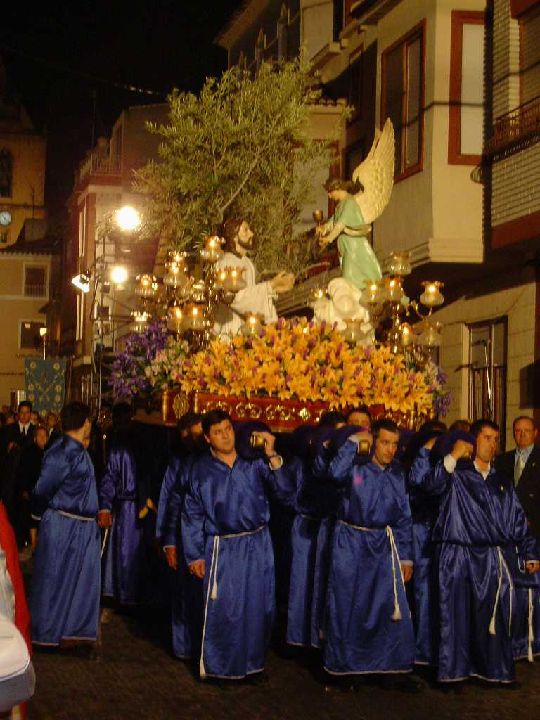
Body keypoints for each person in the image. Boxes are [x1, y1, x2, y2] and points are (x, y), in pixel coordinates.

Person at [421, 419, 539, 685]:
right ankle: (453, 673)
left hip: (490, 558)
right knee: (456, 615)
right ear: (473, 441)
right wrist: (453, 456)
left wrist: (529, 551)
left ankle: (493, 670)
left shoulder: (500, 481)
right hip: (457, 553)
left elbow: (517, 519)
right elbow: (430, 486)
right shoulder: (457, 475)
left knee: (492, 615)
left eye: (496, 439)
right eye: (487, 438)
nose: (492, 444)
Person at [181, 410, 294, 680]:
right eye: (218, 432)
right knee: (225, 609)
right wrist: (194, 555)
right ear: (207, 438)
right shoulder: (200, 470)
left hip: (258, 544)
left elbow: (286, 494)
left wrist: (272, 454)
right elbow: (192, 514)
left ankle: (253, 665)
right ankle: (221, 668)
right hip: (224, 548)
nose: (225, 436)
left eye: (228, 429)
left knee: (259, 607)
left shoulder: (253, 462)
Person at [323, 419, 417, 687]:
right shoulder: (355, 466)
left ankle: (387, 667)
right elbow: (334, 474)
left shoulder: (397, 473)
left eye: (395, 444)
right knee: (349, 605)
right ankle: (346, 669)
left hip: (383, 546)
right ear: (373, 440)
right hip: (351, 543)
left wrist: (406, 557)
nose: (390, 449)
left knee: (386, 606)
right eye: (385, 442)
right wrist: (353, 443)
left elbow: (403, 517)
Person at [30, 401, 101, 647]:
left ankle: (71, 631)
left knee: (80, 581)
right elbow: (42, 488)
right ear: (85, 423)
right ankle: (46, 631)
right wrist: (40, 515)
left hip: (83, 526)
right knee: (54, 578)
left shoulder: (79, 451)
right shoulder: (61, 452)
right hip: (63, 523)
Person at [159, 412, 205, 660]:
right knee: (185, 596)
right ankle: (185, 647)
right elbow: (172, 501)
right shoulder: (182, 462)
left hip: (212, 539)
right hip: (185, 537)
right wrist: (168, 541)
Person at [98, 403, 152, 607]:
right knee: (129, 551)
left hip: (129, 506)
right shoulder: (141, 444)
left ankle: (127, 593)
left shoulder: (120, 447)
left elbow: (109, 477)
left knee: (127, 551)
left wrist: (105, 504)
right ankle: (130, 593)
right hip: (136, 505)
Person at [496, 416, 540, 660]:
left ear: (535, 433)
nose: (521, 435)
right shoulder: (503, 460)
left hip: (534, 531)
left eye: (526, 431)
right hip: (510, 535)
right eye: (517, 431)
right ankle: (514, 640)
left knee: (534, 589)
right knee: (513, 588)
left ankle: (533, 641)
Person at [214, 218, 294, 338]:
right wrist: (270, 286)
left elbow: (254, 294)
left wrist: (274, 289)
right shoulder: (226, 263)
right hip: (231, 327)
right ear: (234, 237)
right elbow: (236, 299)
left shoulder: (247, 262)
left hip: (249, 328)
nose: (251, 233)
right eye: (246, 230)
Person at [317, 178, 382, 292]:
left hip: (354, 248)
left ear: (337, 189)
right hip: (347, 247)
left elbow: (340, 224)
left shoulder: (350, 203)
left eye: (330, 192)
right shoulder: (341, 205)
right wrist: (324, 228)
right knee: (348, 278)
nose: (329, 196)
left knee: (349, 277)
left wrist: (328, 238)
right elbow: (334, 222)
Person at [0, 401, 36, 545]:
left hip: (28, 479)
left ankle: (26, 539)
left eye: (27, 412)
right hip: (11, 479)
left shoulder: (35, 431)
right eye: (22, 412)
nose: (24, 415)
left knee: (26, 511)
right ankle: (14, 540)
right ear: (18, 414)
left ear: (31, 414)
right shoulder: (8, 430)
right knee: (11, 510)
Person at [19, 425, 49, 553]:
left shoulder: (49, 452)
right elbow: (24, 471)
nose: (42, 438)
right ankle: (33, 545)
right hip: (32, 490)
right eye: (39, 436)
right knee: (32, 519)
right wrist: (25, 489)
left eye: (44, 436)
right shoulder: (29, 452)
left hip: (45, 491)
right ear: (35, 438)